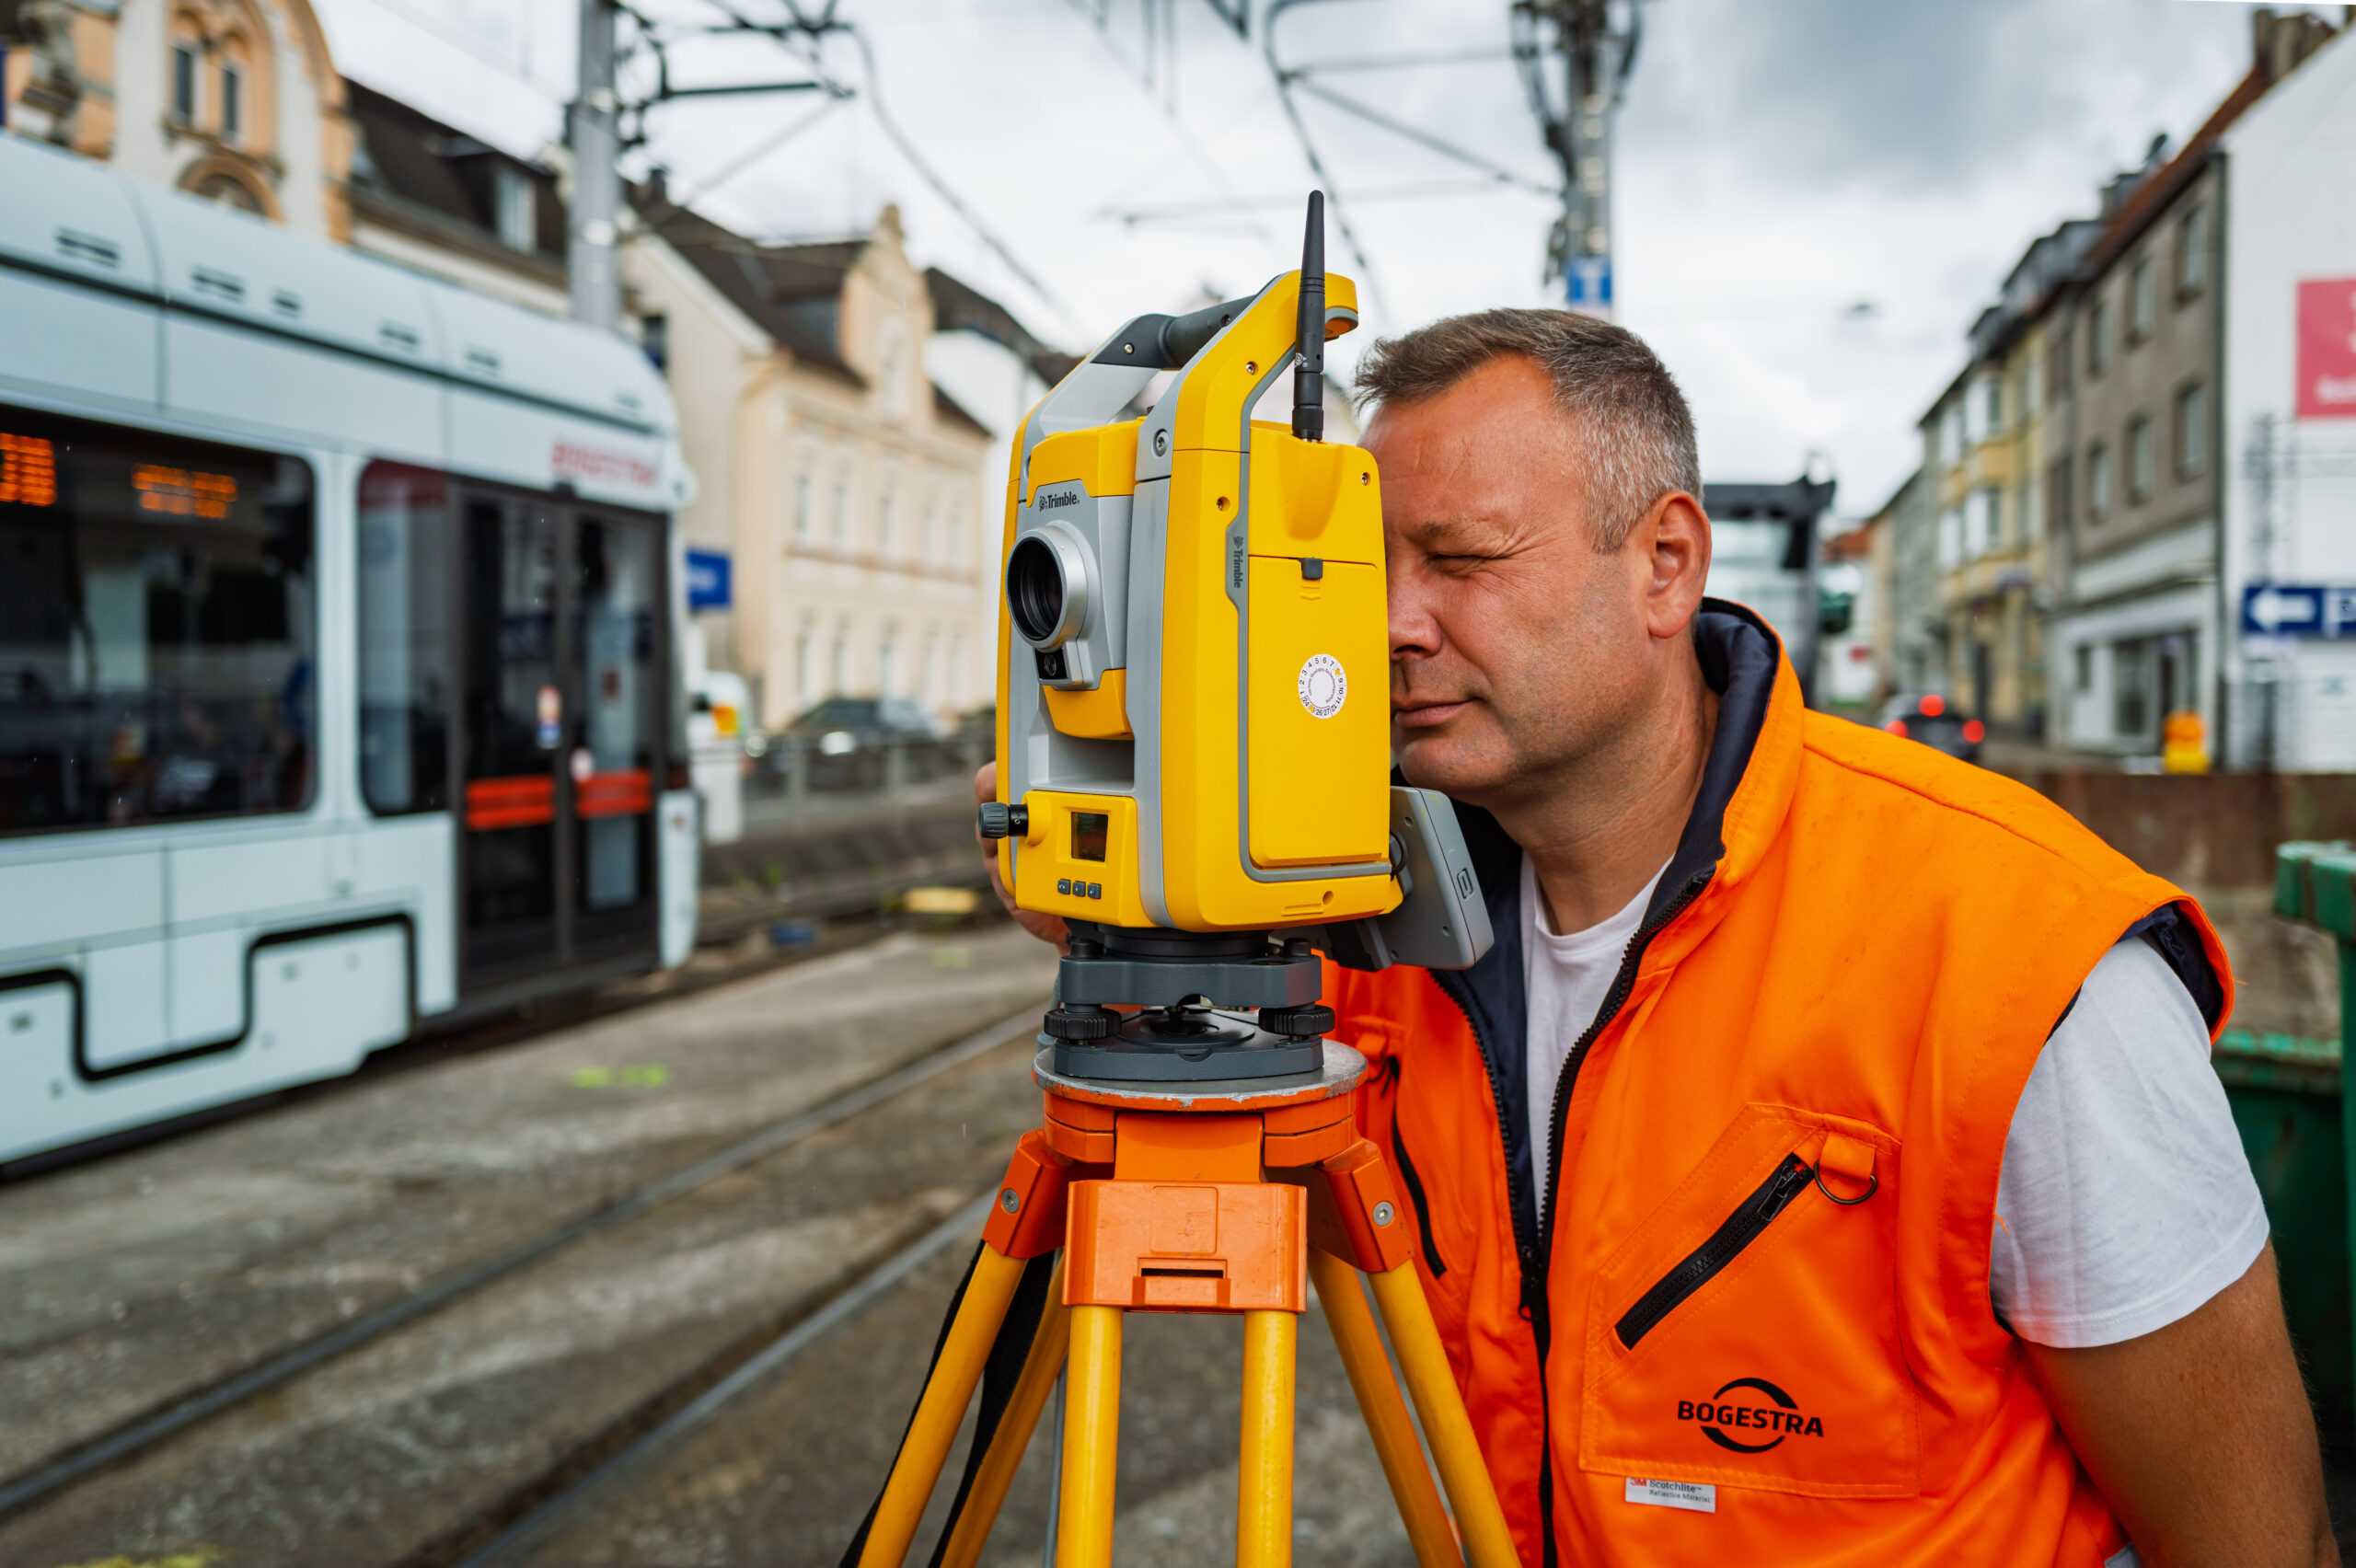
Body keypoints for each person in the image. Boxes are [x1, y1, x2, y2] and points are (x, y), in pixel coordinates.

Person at [980, 308, 2333, 1566]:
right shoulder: (1355, 926)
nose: (1390, 625)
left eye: (1462, 559)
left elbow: (2254, 1541)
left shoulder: (2014, 958)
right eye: (1359, 569)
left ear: (1666, 566)